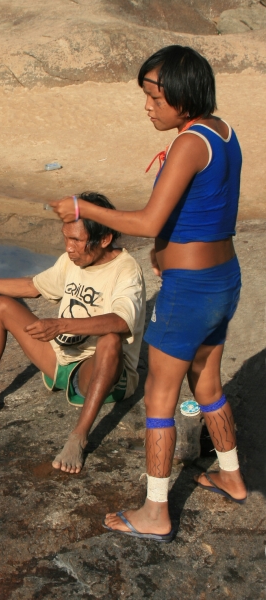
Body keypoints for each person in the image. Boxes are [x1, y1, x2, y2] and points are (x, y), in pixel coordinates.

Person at [51, 45, 246, 542]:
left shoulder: (187, 144)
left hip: (189, 292)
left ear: (183, 95)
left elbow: (147, 221)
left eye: (155, 97)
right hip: (223, 280)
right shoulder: (223, 132)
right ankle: (231, 475)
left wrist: (81, 208)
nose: (148, 107)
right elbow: (202, 210)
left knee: (159, 397)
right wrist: (164, 249)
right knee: (206, 383)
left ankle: (155, 512)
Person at [0, 192, 146, 474]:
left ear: (104, 240)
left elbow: (121, 322)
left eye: (76, 240)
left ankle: (79, 436)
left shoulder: (126, 270)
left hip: (97, 371)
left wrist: (60, 325)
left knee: (110, 341)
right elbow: (34, 286)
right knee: (0, 306)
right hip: (60, 360)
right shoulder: (70, 261)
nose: (69, 248)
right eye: (66, 238)